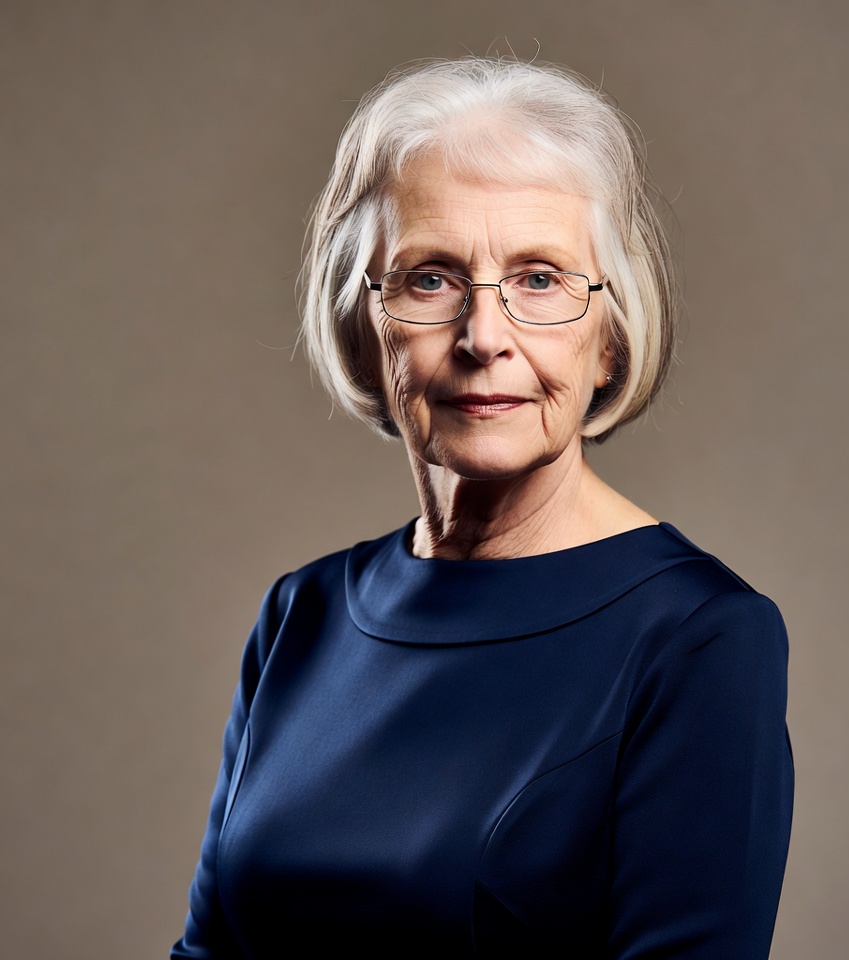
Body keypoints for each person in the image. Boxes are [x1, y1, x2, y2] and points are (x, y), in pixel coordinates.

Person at [172, 57, 793, 959]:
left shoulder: (700, 639)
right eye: (431, 279)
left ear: (610, 341)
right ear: (365, 322)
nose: (485, 337)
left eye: (540, 279)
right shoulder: (300, 616)